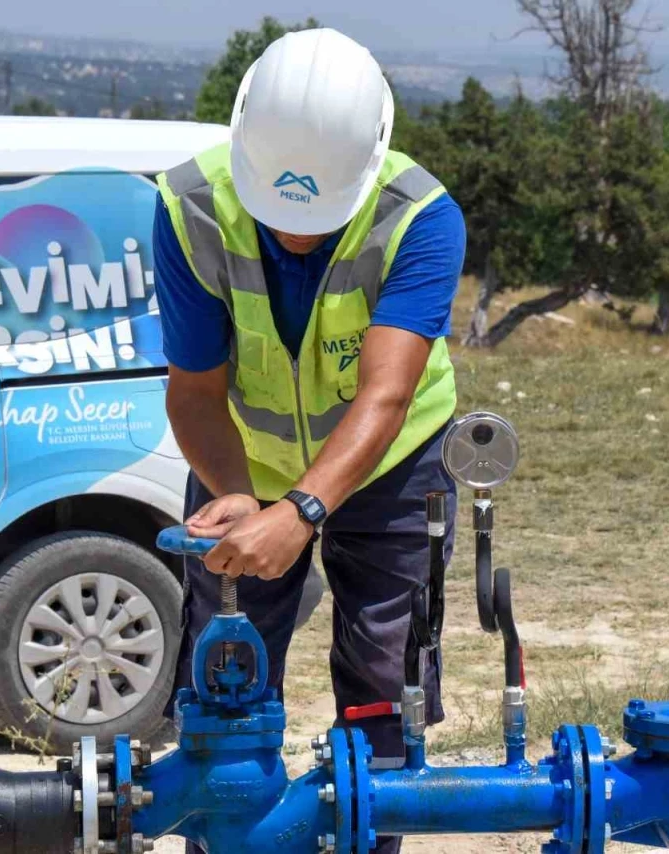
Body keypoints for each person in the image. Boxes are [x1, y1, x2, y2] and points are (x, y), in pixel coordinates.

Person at [153, 27, 465, 852]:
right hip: (241, 463)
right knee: (224, 676)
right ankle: (225, 830)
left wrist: (301, 511)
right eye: (277, 210)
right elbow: (195, 389)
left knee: (383, 681)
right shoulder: (189, 207)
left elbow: (386, 395)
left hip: (391, 467)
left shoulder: (420, 218)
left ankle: (368, 831)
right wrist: (234, 495)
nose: (296, 233)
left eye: (317, 216)